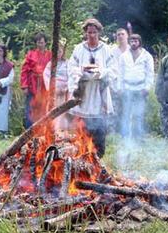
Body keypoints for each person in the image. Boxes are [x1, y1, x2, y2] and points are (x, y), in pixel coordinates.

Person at [68, 18, 118, 156]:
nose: (91, 35)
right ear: (85, 33)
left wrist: (100, 72)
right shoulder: (79, 49)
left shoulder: (106, 49)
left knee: (99, 127)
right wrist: (81, 72)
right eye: (89, 32)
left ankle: (98, 156)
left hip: (98, 91)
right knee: (82, 127)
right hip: (84, 93)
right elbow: (71, 67)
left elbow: (113, 70)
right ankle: (83, 155)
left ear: (99, 33)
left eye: (94, 32)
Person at [119, 34, 154, 138]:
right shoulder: (124, 56)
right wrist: (120, 88)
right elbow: (120, 73)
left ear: (139, 42)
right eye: (132, 41)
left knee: (138, 114)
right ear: (129, 42)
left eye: (136, 41)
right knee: (126, 114)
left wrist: (147, 87)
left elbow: (150, 73)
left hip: (140, 88)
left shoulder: (146, 56)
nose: (134, 43)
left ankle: (138, 137)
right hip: (127, 87)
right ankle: (126, 137)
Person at [20, 32, 51, 128]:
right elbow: (24, 70)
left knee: (44, 107)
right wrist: (24, 86)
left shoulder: (50, 55)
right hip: (33, 83)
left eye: (42, 42)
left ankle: (43, 130)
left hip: (45, 84)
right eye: (38, 42)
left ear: (45, 43)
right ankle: (29, 130)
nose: (40, 44)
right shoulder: (31, 54)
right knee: (30, 107)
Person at [44, 40, 69, 130]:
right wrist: (52, 87)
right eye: (56, 51)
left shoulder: (67, 63)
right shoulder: (50, 64)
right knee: (52, 108)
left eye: (60, 51)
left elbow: (71, 76)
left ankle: (61, 129)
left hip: (64, 91)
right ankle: (51, 128)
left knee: (62, 110)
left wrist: (65, 87)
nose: (58, 53)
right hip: (53, 90)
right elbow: (46, 76)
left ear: (63, 52)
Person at [110, 28, 130, 133]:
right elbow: (110, 68)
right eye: (118, 35)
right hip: (115, 84)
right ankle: (112, 133)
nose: (120, 36)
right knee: (114, 110)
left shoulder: (132, 51)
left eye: (122, 34)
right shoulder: (112, 51)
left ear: (127, 36)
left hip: (128, 85)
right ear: (116, 37)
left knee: (127, 110)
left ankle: (126, 133)